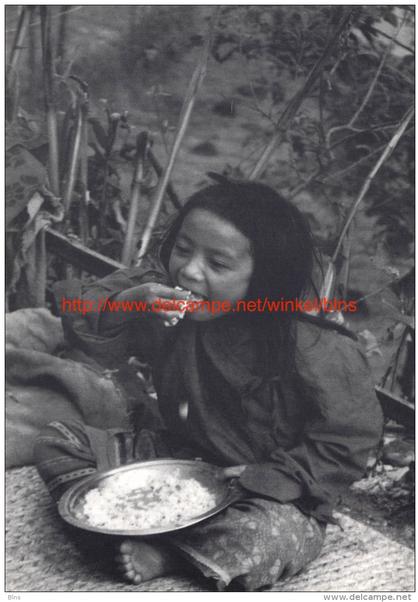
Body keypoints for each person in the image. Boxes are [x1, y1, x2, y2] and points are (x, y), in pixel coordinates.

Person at [34, 177, 383, 591]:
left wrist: (265, 477)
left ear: (264, 278)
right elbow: (81, 313)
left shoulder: (308, 343)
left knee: (264, 540)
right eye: (183, 249)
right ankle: (127, 523)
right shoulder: (162, 292)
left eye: (218, 264)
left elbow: (348, 439)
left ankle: (167, 552)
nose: (190, 270)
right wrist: (130, 302)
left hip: (265, 490)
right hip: (181, 461)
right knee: (57, 440)